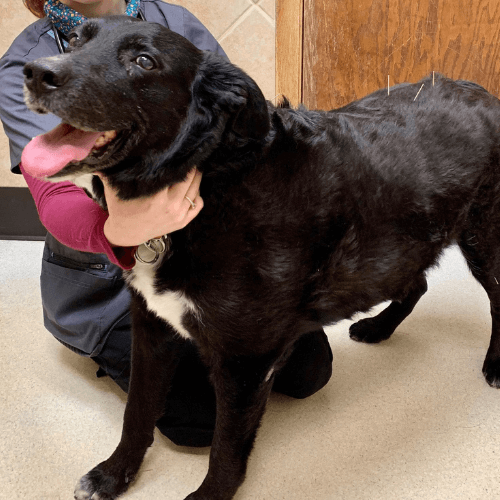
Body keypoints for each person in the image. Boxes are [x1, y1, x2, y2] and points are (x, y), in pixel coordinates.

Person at [0, 0, 333, 448]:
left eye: (139, 60)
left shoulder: (175, 20)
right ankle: (100, 342)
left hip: (202, 256)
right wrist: (116, 230)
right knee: (197, 421)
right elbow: (55, 197)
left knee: (308, 369)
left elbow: (232, 120)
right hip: (106, 281)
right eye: (80, 43)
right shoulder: (27, 62)